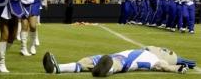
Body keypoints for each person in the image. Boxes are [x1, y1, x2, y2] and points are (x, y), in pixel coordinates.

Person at [43, 46, 195, 77]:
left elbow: (164, 67)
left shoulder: (155, 60)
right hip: (110, 56)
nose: (159, 48)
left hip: (124, 63)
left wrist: (177, 69)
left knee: (113, 64)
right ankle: (57, 68)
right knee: (86, 60)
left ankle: (103, 71)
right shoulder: (145, 50)